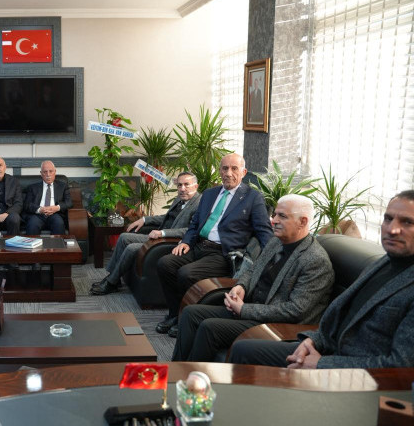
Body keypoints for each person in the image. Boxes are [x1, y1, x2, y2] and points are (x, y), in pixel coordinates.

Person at [230, 191, 414, 369]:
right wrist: (313, 340)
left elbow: (400, 366)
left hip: (353, 373)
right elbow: (339, 317)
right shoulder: (383, 263)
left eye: (407, 222)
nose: (392, 229)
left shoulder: (315, 259)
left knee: (240, 348)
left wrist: (321, 364)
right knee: (243, 349)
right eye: (388, 219)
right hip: (325, 348)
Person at [172, 194, 334, 361]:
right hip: (252, 308)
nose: (274, 220)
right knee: (191, 313)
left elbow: (295, 311)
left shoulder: (315, 260)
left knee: (209, 327)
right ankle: (176, 368)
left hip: (276, 324)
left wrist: (244, 310)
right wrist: (241, 286)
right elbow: (253, 270)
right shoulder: (275, 241)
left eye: (282, 216)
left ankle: (192, 375)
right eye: (275, 214)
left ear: (303, 222)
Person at [155, 153, 273, 337]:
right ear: (220, 171)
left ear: (244, 172)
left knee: (186, 274)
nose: (229, 173)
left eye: (234, 168)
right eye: (225, 168)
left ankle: (183, 319)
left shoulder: (253, 197)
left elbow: (264, 231)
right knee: (165, 263)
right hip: (198, 245)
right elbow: (195, 223)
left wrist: (273, 257)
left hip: (223, 253)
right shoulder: (209, 194)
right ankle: (174, 314)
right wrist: (186, 241)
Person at [91, 172, 201, 295]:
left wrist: (163, 232)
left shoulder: (199, 204)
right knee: (123, 237)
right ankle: (113, 278)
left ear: (195, 186)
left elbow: (191, 230)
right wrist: (144, 219)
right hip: (159, 238)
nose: (182, 189)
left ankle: (111, 283)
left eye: (186, 185)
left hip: (171, 242)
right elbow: (165, 217)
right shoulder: (179, 199)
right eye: (179, 185)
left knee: (131, 248)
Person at [22, 160, 72, 235]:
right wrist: (40, 209)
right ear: (41, 173)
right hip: (38, 215)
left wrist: (56, 208)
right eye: (45, 172)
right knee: (32, 224)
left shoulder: (62, 186)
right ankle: (33, 243)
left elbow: (69, 202)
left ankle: (57, 243)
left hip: (55, 214)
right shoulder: (33, 187)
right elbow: (27, 205)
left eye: (51, 171)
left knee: (59, 223)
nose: (48, 174)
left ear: (55, 172)